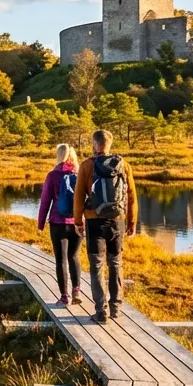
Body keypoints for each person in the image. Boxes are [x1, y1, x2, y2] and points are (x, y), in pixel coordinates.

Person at [74, 129, 137, 323]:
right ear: (109, 144)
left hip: (94, 221)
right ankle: (116, 308)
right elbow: (132, 196)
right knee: (116, 263)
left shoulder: (86, 166)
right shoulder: (123, 165)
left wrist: (78, 221)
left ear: (94, 144)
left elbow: (78, 197)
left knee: (97, 265)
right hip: (117, 221)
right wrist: (132, 221)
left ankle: (100, 311)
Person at [37, 143, 82, 305]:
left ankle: (64, 297)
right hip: (77, 223)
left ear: (59, 155)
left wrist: (41, 223)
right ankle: (76, 291)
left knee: (60, 260)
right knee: (74, 256)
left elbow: (45, 201)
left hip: (57, 223)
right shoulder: (80, 174)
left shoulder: (52, 175)